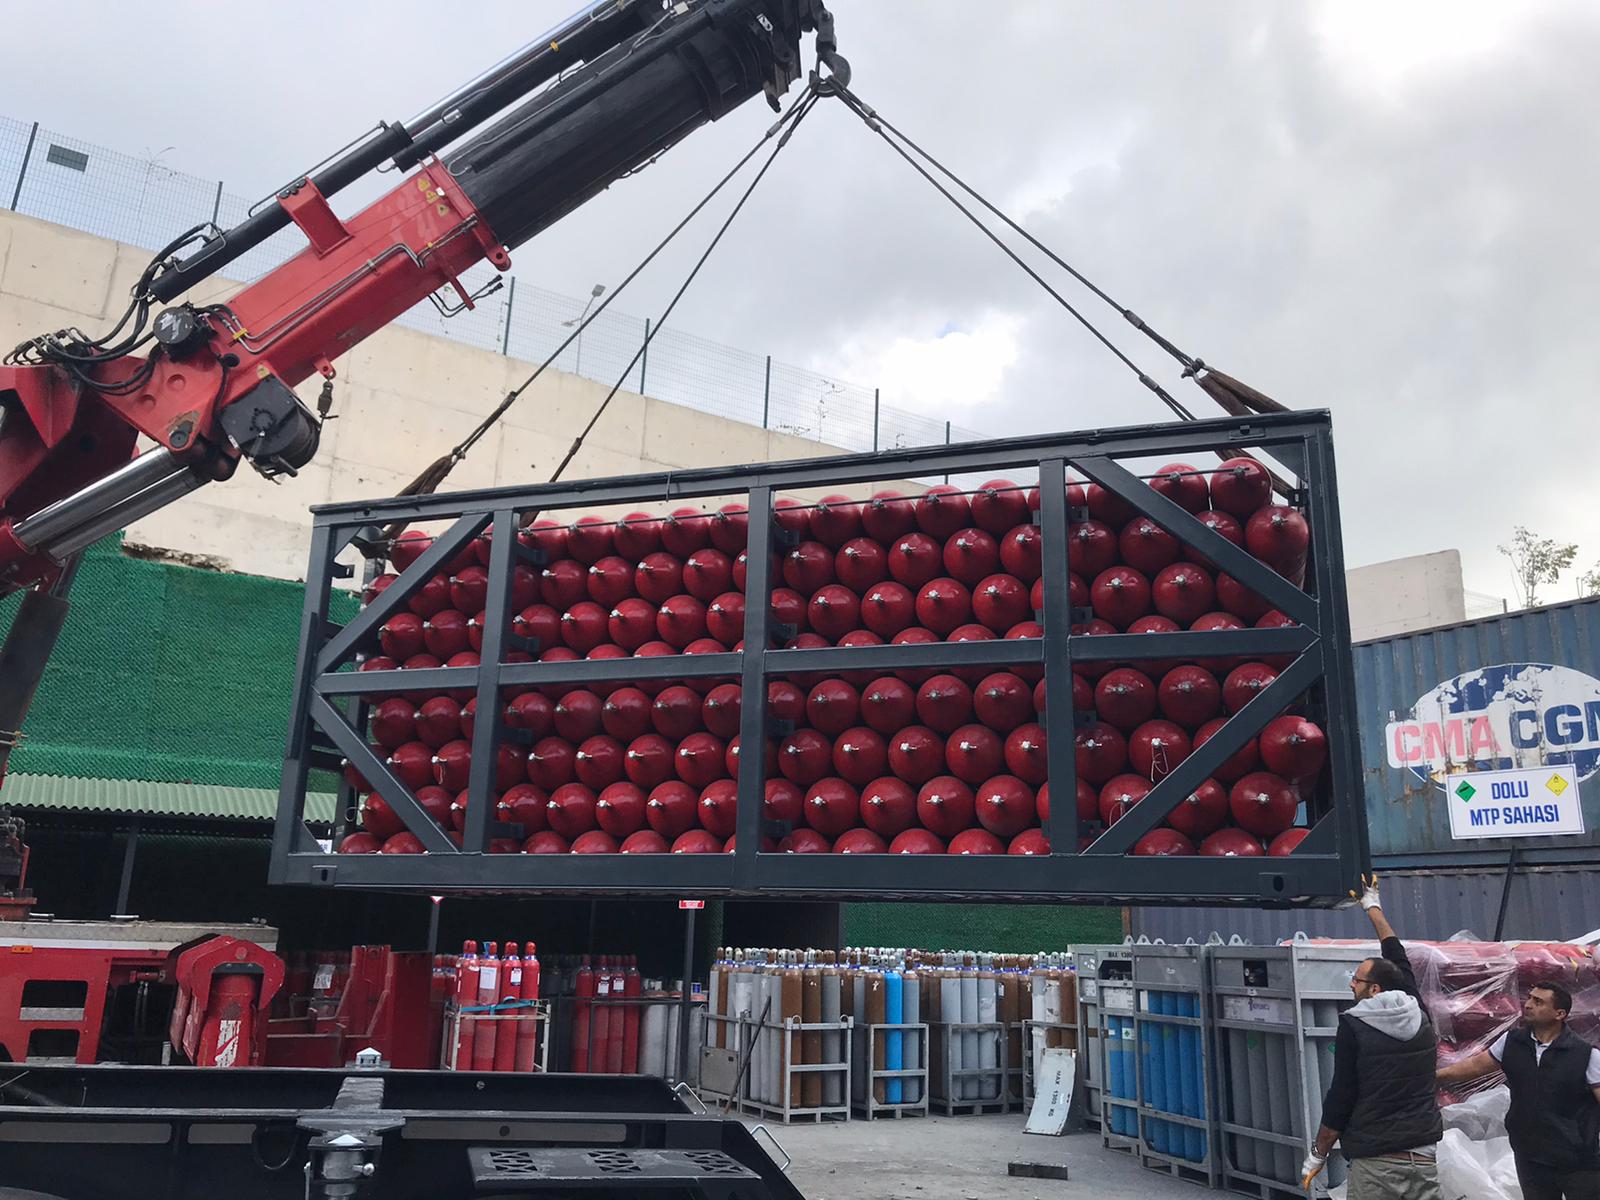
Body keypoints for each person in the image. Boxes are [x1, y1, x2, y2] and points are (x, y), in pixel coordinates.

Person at [1302, 874, 1443, 1198]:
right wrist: (1373, 906)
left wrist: (1318, 1155)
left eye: (1357, 979)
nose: (1352, 984)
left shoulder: (1355, 1026)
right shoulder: (1418, 1012)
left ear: (1374, 989)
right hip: (1423, 1160)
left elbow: (1341, 1096)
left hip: (1377, 1165)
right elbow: (1396, 954)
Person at [1437, 978, 1600, 1200]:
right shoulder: (1512, 1042)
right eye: (1530, 998)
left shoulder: (1586, 1055)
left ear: (1559, 1014)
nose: (1529, 1004)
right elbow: (1476, 1066)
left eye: (1539, 1002)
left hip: (1577, 1159)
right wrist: (1434, 1077)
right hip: (1530, 1154)